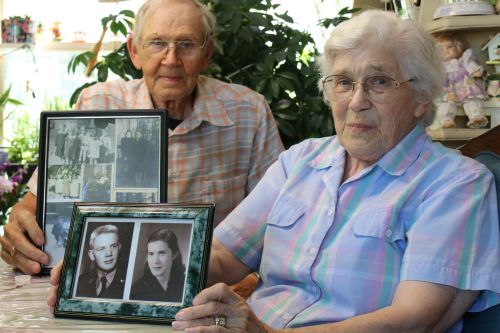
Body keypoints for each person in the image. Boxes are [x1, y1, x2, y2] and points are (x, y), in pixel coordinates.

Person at [58, 9, 498, 332]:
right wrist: (107, 280)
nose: (357, 100)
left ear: (421, 97)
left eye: (379, 82)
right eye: (343, 82)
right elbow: (223, 257)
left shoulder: (455, 184)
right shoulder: (301, 161)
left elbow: (414, 320)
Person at [0, 0, 283, 275]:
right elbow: (38, 204)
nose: (171, 59)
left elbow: (278, 219)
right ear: (134, 50)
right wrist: (21, 224)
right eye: (157, 43)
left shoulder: (249, 112)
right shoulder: (98, 105)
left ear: (207, 53)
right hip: (111, 284)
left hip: (213, 289)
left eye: (186, 44)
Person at [434, 33, 489, 129]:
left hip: (465, 89)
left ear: (458, 48)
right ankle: (446, 120)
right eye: (440, 48)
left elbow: (471, 66)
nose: (445, 50)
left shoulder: (463, 60)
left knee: (472, 100)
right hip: (448, 91)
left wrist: (476, 71)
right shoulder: (438, 66)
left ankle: (476, 117)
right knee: (445, 104)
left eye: (449, 47)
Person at [129, 228, 185, 303]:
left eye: (161, 253)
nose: (155, 261)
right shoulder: (136, 291)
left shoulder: (185, 283)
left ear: (174, 254)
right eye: (151, 254)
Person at [75, 224, 126, 299]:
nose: (109, 253)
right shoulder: (81, 282)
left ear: (119, 248)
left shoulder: (129, 282)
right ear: (92, 255)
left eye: (113, 246)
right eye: (101, 249)